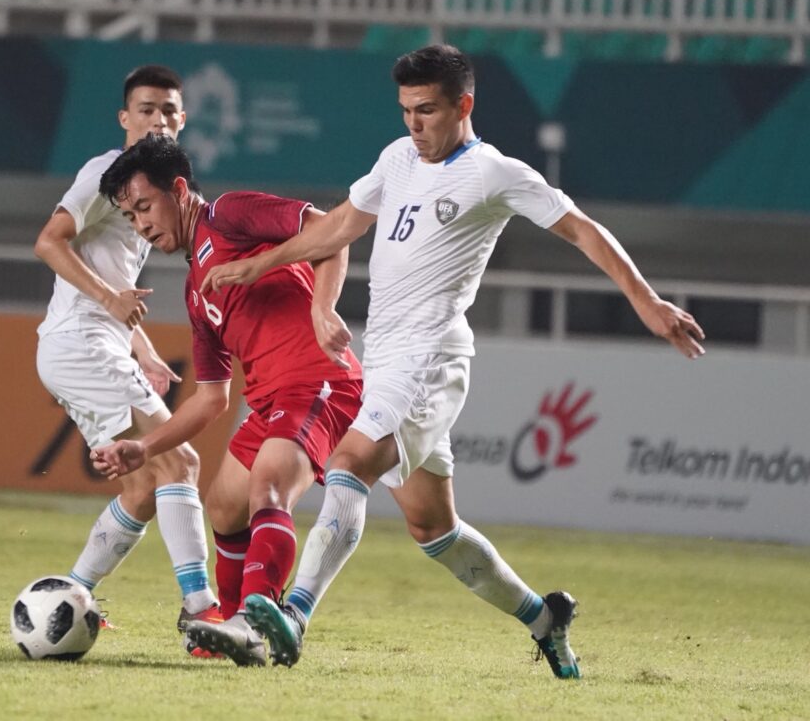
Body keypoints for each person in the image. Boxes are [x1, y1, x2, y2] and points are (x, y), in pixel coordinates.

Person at [200, 44, 707, 678]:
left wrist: (648, 300)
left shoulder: (494, 172)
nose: (415, 124)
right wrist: (262, 263)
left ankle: (294, 615)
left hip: (432, 357)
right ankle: (544, 619)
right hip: (384, 357)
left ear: (464, 105)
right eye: (407, 110)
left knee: (349, 463)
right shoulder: (397, 159)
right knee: (432, 526)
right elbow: (336, 229)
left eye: (428, 111)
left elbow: (580, 227)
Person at [88, 134, 364, 667]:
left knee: (267, 489)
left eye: (144, 206)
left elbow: (333, 231)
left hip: (317, 380)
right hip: (268, 404)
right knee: (222, 505)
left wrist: (323, 309)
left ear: (180, 189)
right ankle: (237, 630)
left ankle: (250, 624)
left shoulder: (231, 214)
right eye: (129, 216)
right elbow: (211, 399)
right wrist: (143, 448)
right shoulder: (196, 291)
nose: (141, 224)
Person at [34, 65, 220, 650]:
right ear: (125, 118)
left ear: (182, 120)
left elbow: (115, 284)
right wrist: (111, 301)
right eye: (146, 109)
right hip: (80, 341)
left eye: (168, 110)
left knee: (142, 490)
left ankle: (69, 596)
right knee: (180, 462)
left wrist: (141, 350)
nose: (158, 119)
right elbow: (48, 241)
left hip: (91, 343)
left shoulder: (151, 185)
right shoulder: (102, 175)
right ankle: (200, 612)